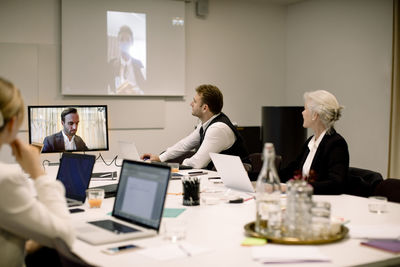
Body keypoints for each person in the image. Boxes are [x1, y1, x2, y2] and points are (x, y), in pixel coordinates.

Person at [0, 77, 74, 266]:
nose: (74, 127)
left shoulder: (79, 140)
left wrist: (29, 240)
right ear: (12, 124)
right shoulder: (6, 179)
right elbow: (65, 235)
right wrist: (37, 172)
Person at [141, 84, 249, 169]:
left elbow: (197, 163)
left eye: (195, 101)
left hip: (238, 182)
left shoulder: (218, 129)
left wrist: (173, 166)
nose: (191, 104)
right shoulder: (206, 123)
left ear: (205, 108)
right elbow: (185, 145)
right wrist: (160, 158)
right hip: (220, 177)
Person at [279, 90, 349, 195]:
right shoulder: (310, 141)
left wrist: (294, 187)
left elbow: (335, 184)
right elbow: (290, 171)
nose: (302, 113)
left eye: (305, 109)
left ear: (315, 115)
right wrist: (254, 176)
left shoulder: (336, 144)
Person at [108, 25, 145, 95]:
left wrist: (135, 92)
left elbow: (145, 90)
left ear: (132, 43)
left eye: (128, 40)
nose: (125, 42)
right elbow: (109, 89)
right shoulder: (111, 64)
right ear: (118, 43)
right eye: (122, 39)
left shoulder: (139, 64)